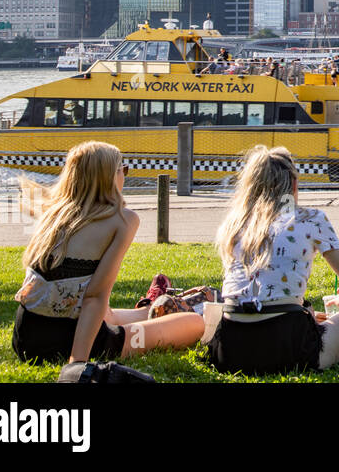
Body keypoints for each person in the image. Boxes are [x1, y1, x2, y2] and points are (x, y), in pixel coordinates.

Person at [207, 146, 339, 374]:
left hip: (229, 350)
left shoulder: (234, 225)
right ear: (294, 185)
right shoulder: (311, 219)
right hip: (289, 347)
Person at [12, 141, 204, 365]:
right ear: (109, 177)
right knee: (193, 323)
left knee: (108, 314)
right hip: (78, 342)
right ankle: (163, 309)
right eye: (122, 169)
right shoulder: (123, 220)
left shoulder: (54, 214)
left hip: (26, 340)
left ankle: (153, 308)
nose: (124, 175)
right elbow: (95, 297)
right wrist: (77, 362)